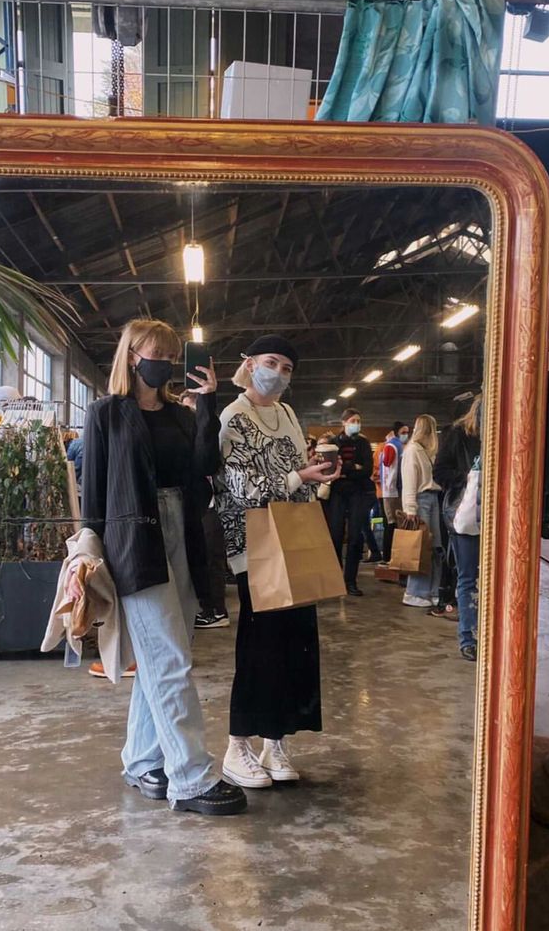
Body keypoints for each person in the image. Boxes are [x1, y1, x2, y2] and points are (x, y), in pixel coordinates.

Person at [81, 318, 246, 816]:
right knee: (170, 658)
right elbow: (94, 491)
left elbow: (205, 468)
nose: (169, 362)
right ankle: (191, 778)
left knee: (161, 659)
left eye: (175, 355)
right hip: (135, 539)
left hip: (184, 535)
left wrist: (208, 404)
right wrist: (91, 551)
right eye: (160, 352)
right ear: (133, 355)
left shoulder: (180, 414)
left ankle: (141, 759)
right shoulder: (106, 413)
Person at [216, 334, 340, 789]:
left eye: (288, 368)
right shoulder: (233, 417)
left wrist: (315, 473)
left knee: (295, 646)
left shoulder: (287, 413)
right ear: (249, 364)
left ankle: (275, 739)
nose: (279, 373)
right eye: (272, 362)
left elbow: (292, 470)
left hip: (293, 533)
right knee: (259, 646)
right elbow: (240, 486)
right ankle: (237, 743)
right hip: (256, 542)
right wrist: (297, 476)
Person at [434, 395, 482, 660]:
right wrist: (468, 478)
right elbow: (439, 472)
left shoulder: (504, 434)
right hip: (464, 512)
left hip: (496, 514)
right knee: (467, 578)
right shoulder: (457, 433)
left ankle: (486, 635)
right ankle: (468, 638)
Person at [180, 390, 230, 629]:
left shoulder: (213, 437)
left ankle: (216, 611)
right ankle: (206, 607)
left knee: (212, 558)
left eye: (196, 411)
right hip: (194, 504)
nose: (193, 417)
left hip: (214, 505)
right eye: (188, 411)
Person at [325, 407, 376, 596]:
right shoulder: (333, 443)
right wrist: (352, 466)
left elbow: (367, 470)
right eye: (353, 420)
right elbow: (330, 468)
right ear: (344, 422)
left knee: (355, 537)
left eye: (358, 420)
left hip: (358, 493)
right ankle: (335, 579)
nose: (356, 424)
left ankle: (351, 581)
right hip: (338, 493)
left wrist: (345, 469)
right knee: (336, 536)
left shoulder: (363, 443)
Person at [400, 414, 442, 608]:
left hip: (432, 499)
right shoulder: (412, 451)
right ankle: (414, 592)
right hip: (421, 500)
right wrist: (410, 509)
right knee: (421, 549)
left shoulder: (424, 451)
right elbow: (409, 481)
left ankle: (431, 591)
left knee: (434, 549)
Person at [380, 421, 410, 564]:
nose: (406, 435)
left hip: (394, 490)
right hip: (393, 490)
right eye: (403, 432)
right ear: (397, 432)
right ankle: (390, 557)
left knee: (393, 524)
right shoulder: (393, 446)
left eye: (407, 432)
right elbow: (388, 466)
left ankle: (391, 557)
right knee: (393, 524)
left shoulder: (394, 445)